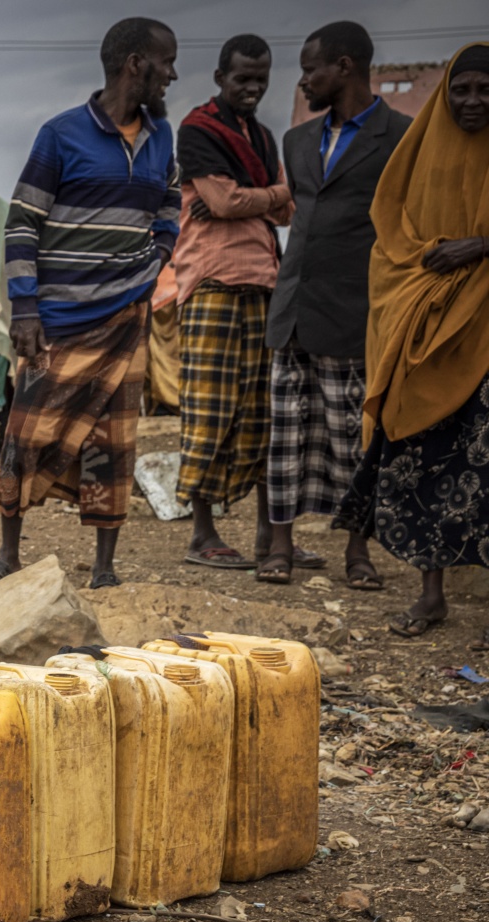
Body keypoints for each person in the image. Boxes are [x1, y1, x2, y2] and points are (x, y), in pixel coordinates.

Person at [0, 17, 179, 591]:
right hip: (58, 318)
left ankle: (104, 566)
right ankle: (7, 556)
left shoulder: (162, 137)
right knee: (26, 434)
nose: (172, 74)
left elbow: (170, 201)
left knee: (113, 441)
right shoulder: (61, 134)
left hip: (126, 316)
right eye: (166, 61)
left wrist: (158, 254)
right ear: (135, 63)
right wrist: (25, 309)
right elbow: (22, 226)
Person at [335, 42, 489, 645]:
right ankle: (432, 596)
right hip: (428, 337)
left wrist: (480, 246)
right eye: (461, 89)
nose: (472, 102)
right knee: (429, 458)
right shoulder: (419, 154)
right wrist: (429, 266)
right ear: (444, 93)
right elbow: (392, 241)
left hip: (485, 335)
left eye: (484, 90)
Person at [261, 22, 414, 591]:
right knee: (284, 435)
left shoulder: (400, 137)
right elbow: (303, 217)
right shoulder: (298, 141)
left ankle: (358, 551)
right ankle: (278, 546)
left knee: (355, 439)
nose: (303, 81)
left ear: (344, 67)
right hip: (293, 307)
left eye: (310, 69)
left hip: (354, 311)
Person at [171, 35, 295, 574]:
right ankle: (203, 534)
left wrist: (248, 202)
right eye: (243, 78)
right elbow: (225, 201)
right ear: (221, 77)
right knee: (208, 409)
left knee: (266, 414)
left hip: (265, 282)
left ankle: (272, 537)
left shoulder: (264, 137)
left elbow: (277, 211)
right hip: (213, 285)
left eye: (261, 78)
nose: (252, 87)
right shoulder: (199, 129)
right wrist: (265, 198)